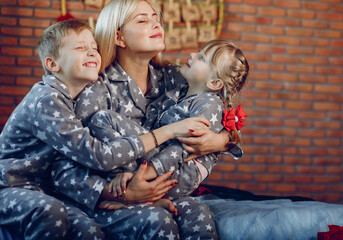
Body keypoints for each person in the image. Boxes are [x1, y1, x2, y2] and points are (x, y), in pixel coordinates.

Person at [50, 0, 237, 239]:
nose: (156, 23)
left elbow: (218, 107)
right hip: (112, 200)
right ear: (119, 37)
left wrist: (220, 140)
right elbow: (62, 169)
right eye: (142, 20)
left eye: (156, 17)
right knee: (157, 221)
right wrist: (124, 195)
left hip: (167, 190)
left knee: (200, 216)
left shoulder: (175, 77)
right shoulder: (96, 89)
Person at [90, 39, 249, 208]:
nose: (192, 54)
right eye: (199, 51)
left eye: (202, 58)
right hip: (159, 158)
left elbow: (182, 150)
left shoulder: (209, 104)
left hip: (176, 172)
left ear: (215, 83)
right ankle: (139, 196)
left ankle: (132, 195)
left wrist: (141, 174)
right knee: (108, 122)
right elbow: (152, 127)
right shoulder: (178, 90)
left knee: (103, 119)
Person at [0, 19, 106, 240]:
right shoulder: (46, 98)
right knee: (49, 211)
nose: (91, 53)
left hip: (43, 189)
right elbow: (90, 152)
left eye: (94, 48)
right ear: (53, 64)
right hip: (8, 186)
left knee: (89, 230)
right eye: (80, 48)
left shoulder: (80, 97)